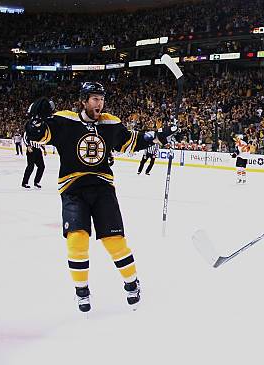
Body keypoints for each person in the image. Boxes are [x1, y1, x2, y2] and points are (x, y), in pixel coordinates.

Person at [23, 82, 176, 313]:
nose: (99, 103)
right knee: (77, 239)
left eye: (102, 99)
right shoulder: (64, 120)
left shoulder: (110, 123)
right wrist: (34, 123)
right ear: (83, 100)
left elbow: (133, 141)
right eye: (94, 99)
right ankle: (81, 291)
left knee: (114, 241)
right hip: (73, 189)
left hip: (103, 188)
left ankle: (132, 282)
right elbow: (36, 136)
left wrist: (161, 135)